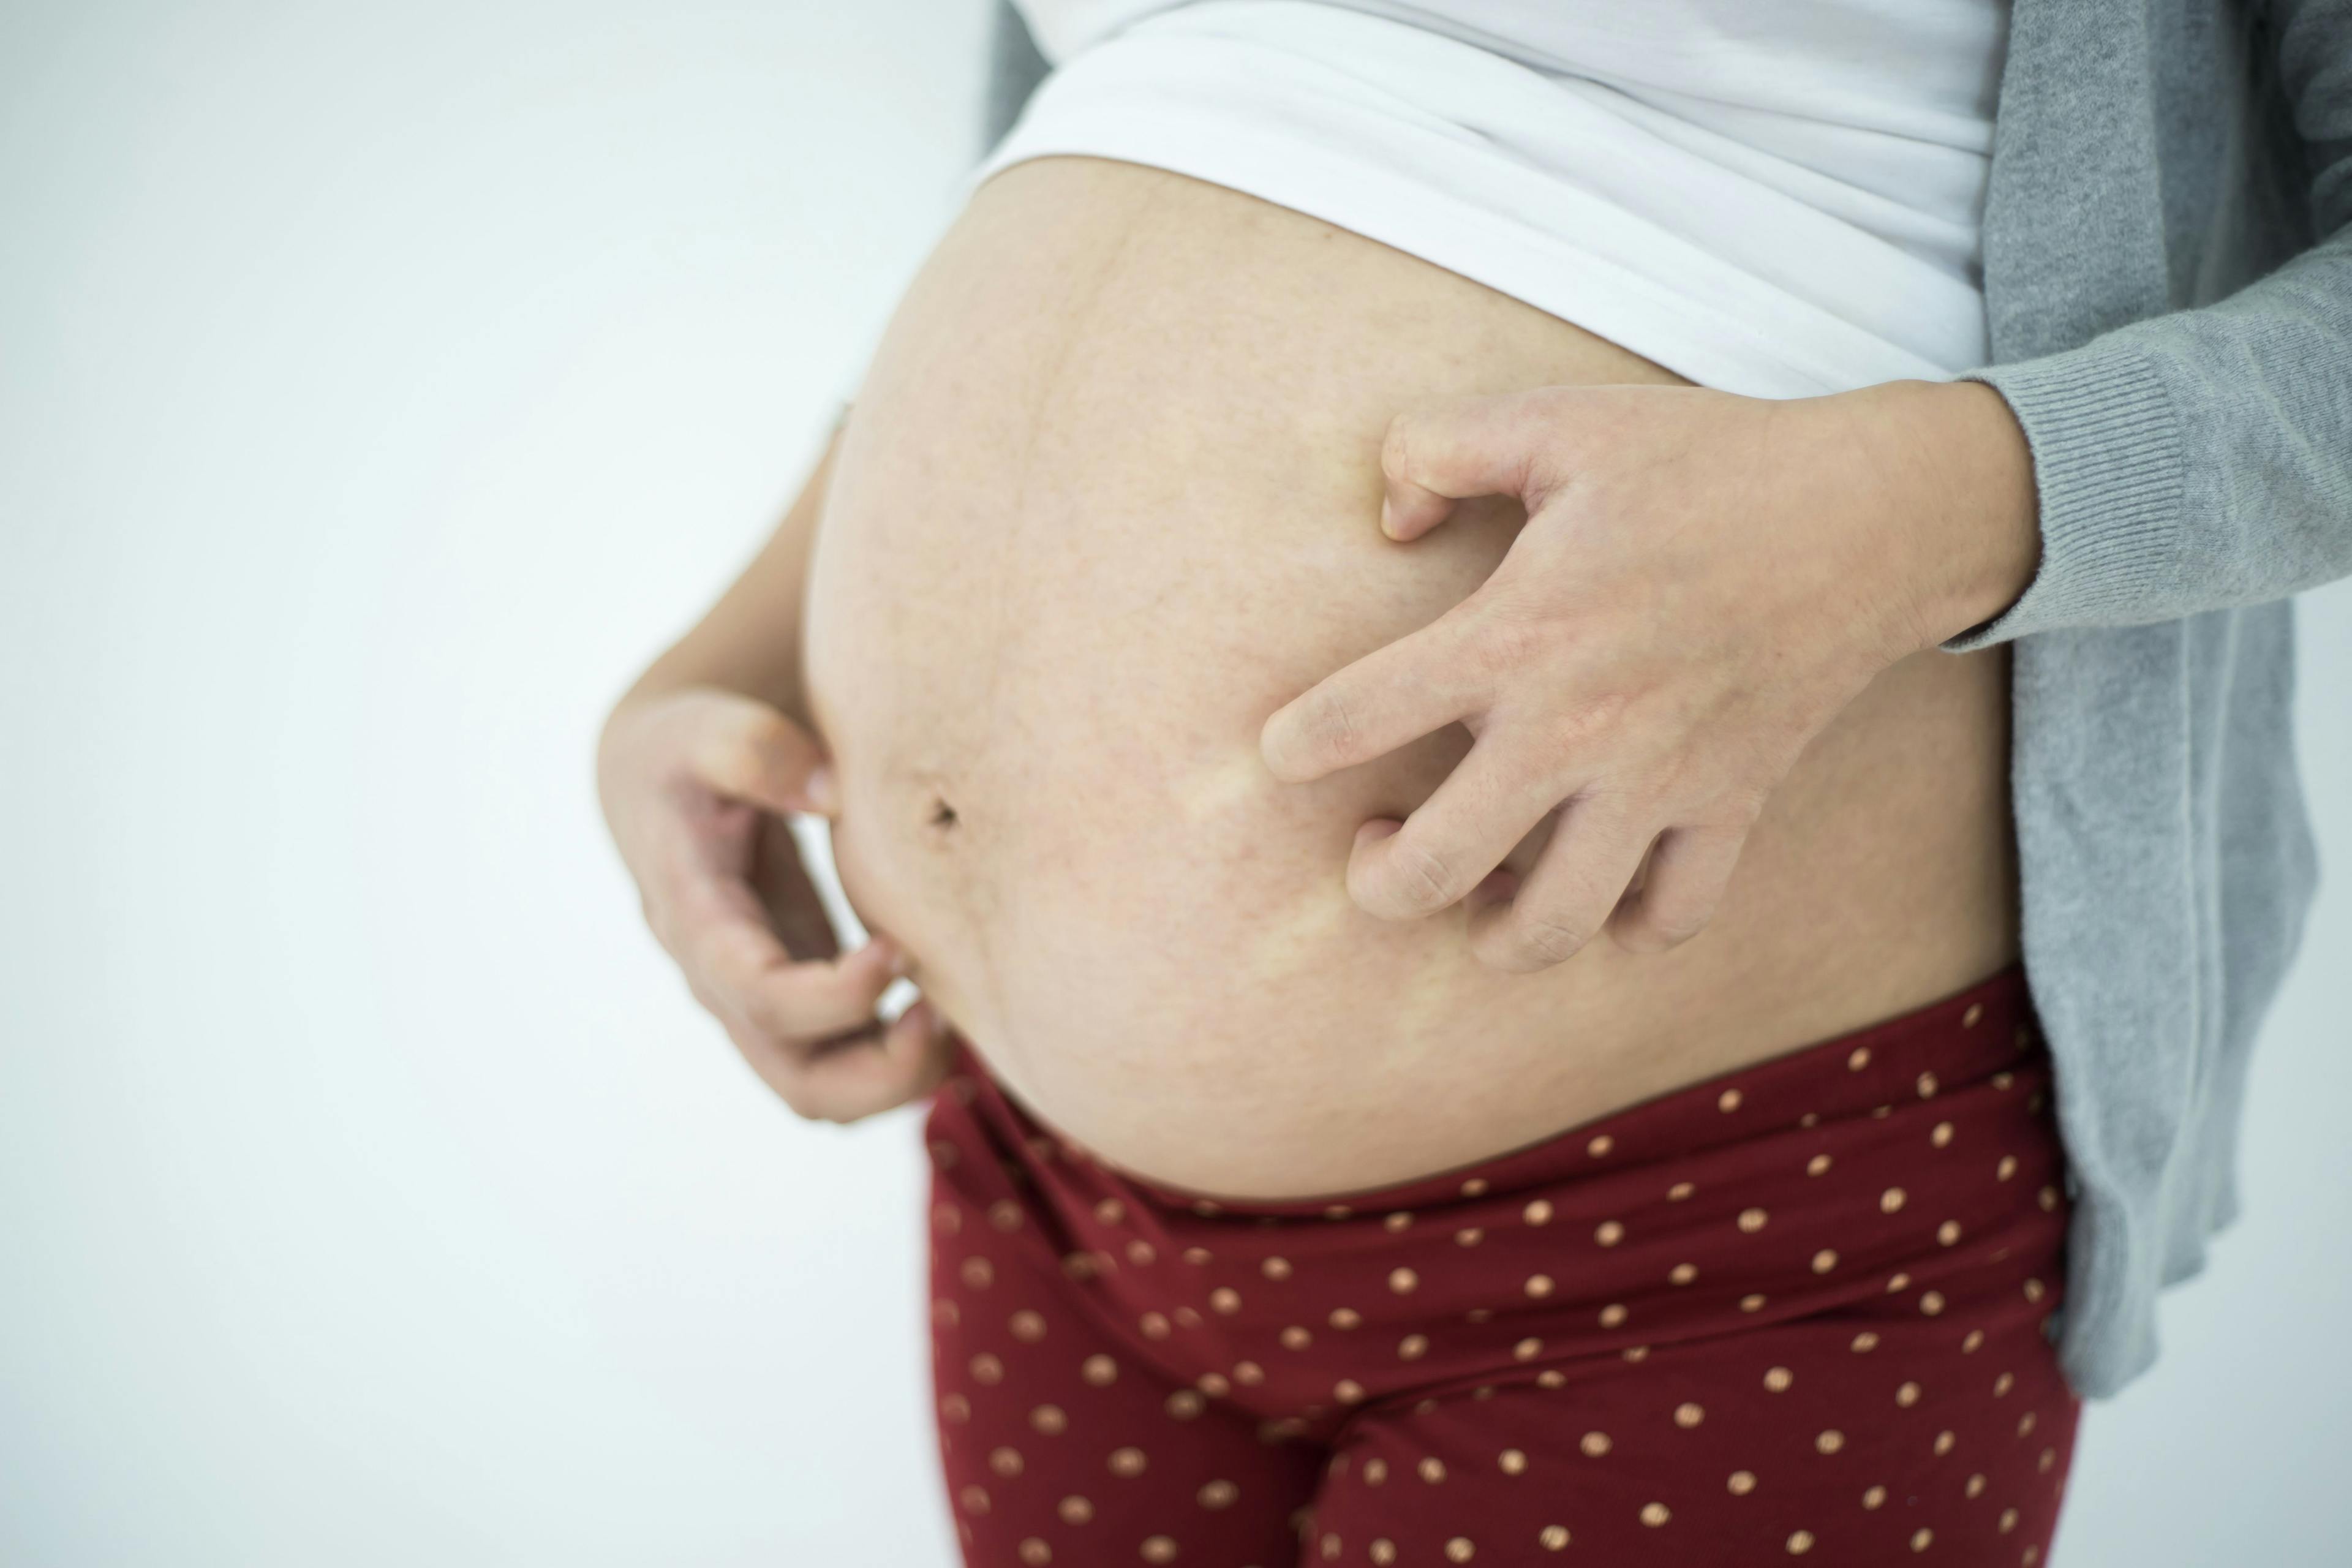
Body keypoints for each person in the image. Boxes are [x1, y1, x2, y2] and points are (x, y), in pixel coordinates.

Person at [595, 2, 2348, 1562]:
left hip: (1699, 1239)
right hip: (1043, 1183)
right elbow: (1101, 130)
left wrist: (1920, 505)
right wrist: (724, 659)